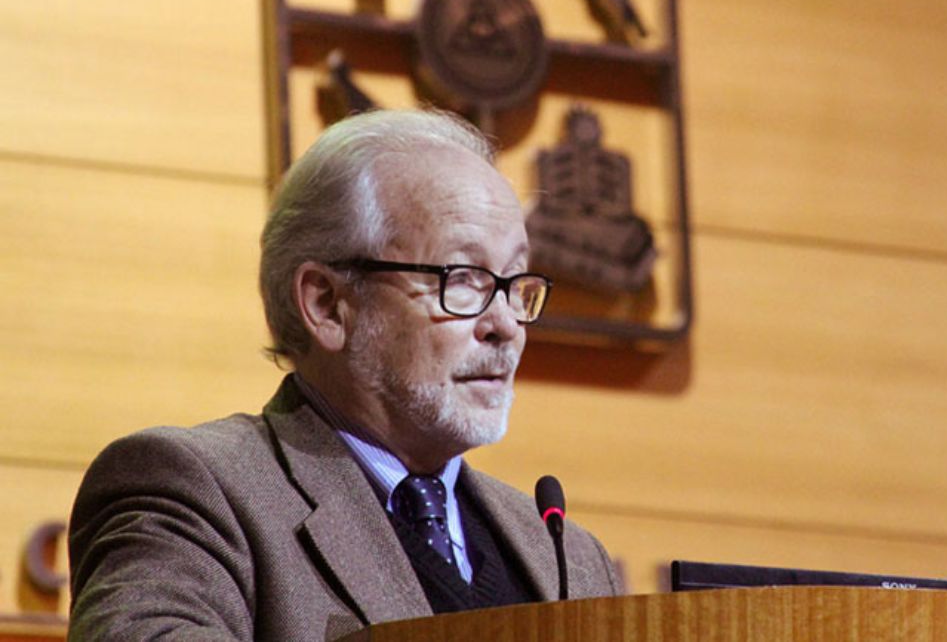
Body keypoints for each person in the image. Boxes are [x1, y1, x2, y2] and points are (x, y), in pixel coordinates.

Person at [68, 109, 622, 641]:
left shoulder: (570, 556)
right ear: (328, 304)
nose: (506, 324)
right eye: (465, 279)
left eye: (516, 282)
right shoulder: (193, 492)